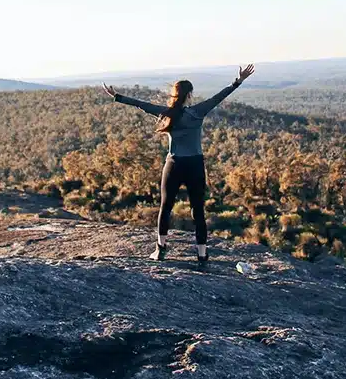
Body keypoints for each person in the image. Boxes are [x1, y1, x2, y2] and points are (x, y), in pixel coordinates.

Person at [102, 65, 255, 263]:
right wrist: (238, 81)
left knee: (166, 207)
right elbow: (219, 97)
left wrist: (117, 96)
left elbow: (142, 104)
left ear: (175, 94)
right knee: (198, 210)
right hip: (195, 165)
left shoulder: (167, 113)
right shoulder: (198, 111)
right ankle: (201, 255)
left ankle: (160, 250)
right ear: (189, 94)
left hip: (174, 164)